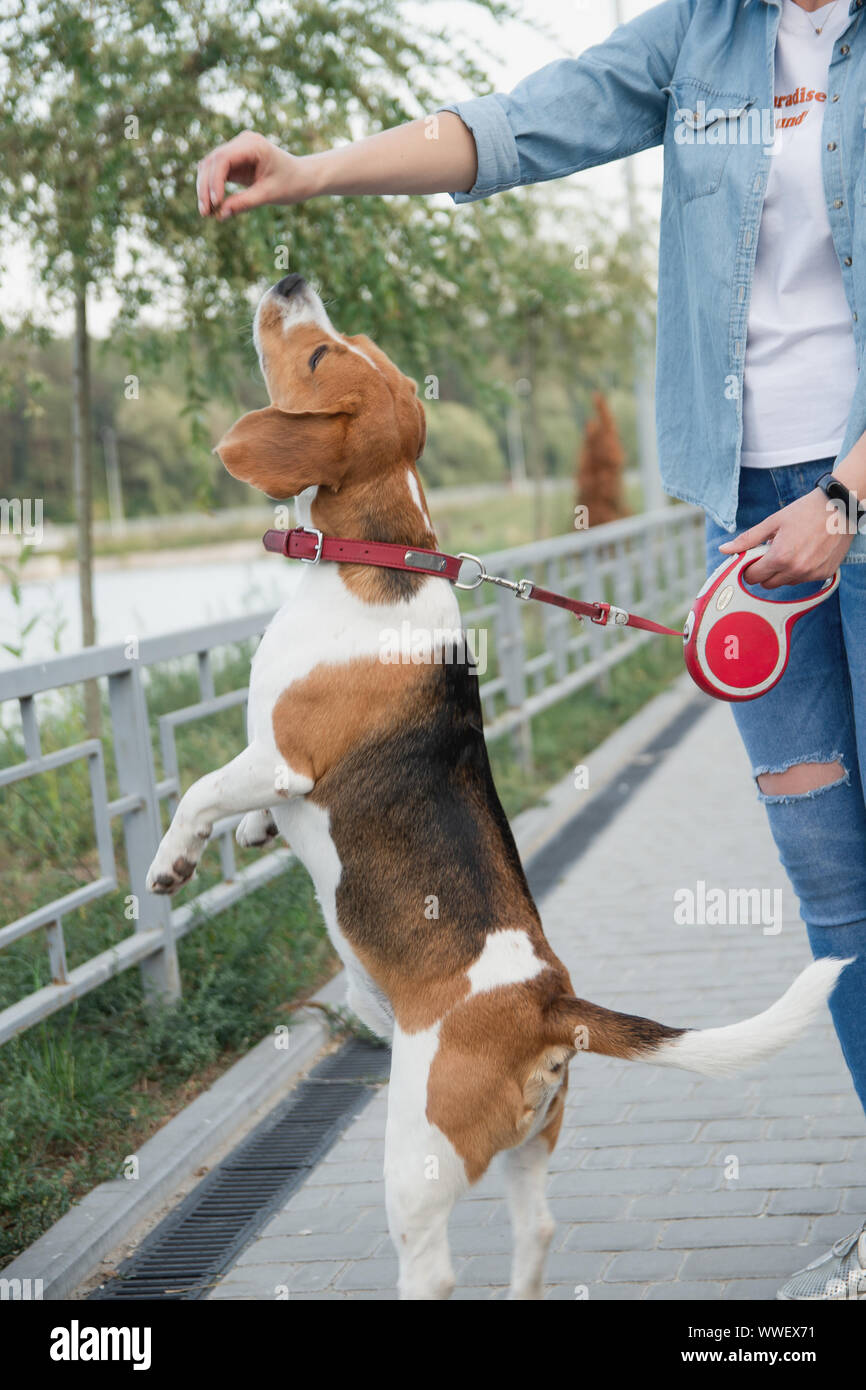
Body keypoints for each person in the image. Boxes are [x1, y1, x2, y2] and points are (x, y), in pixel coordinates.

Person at [196, 0, 866, 1300]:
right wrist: (313, 170)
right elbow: (507, 130)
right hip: (750, 520)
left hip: (851, 492)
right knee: (835, 887)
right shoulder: (699, 40)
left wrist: (845, 494)